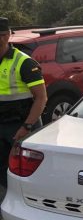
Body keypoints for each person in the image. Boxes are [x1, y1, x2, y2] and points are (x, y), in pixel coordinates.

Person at [0, 17, 47, 184]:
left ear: (7, 36)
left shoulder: (23, 62)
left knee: (24, 174)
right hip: (2, 125)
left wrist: (27, 126)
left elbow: (41, 97)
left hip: (21, 126)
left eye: (2, 34)